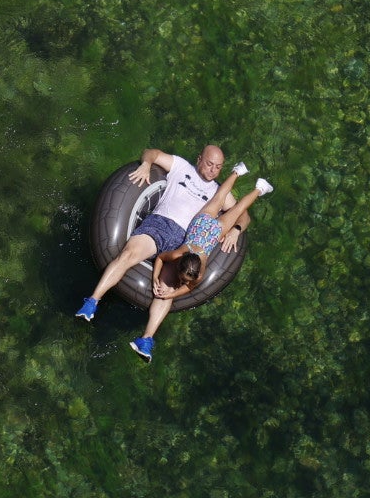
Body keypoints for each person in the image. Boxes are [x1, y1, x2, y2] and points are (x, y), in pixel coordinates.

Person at [75, 145, 246, 323]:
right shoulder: (181, 166)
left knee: (168, 290)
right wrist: (146, 164)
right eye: (210, 164)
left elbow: (244, 215)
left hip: (185, 241)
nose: (213, 170)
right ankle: (92, 302)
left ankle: (146, 339)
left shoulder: (220, 193)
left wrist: (237, 229)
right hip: (160, 224)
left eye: (218, 167)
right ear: (199, 159)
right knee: (128, 254)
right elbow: (151, 153)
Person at [129, 167, 272, 362]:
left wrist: (172, 293)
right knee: (225, 200)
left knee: (230, 202)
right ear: (181, 263)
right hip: (206, 226)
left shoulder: (198, 272)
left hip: (209, 228)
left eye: (183, 278)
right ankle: (249, 180)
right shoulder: (182, 254)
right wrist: (156, 277)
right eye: (181, 277)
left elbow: (187, 288)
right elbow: (162, 258)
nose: (180, 280)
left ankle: (249, 181)